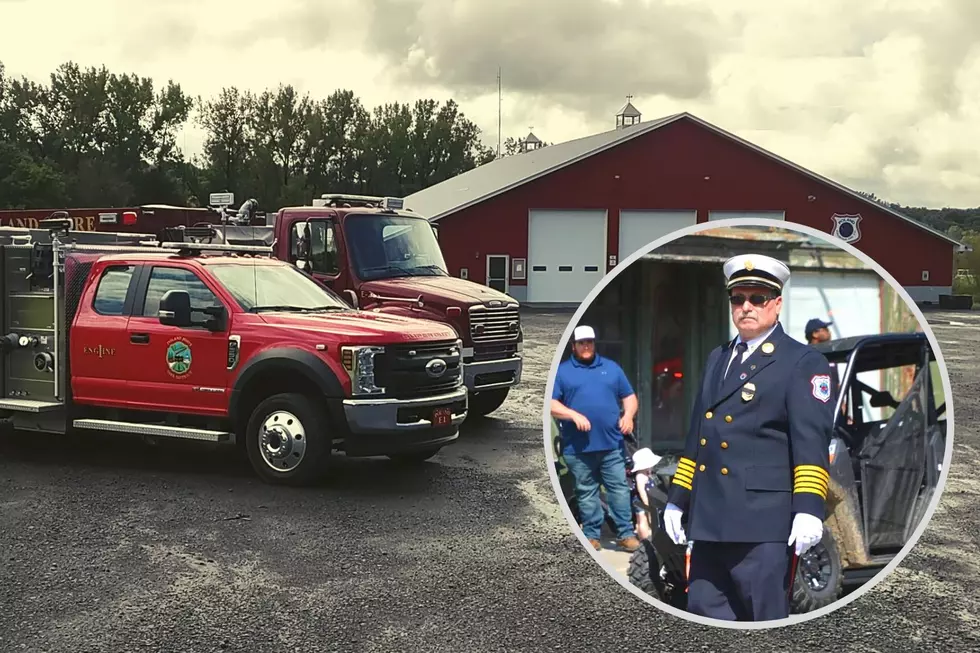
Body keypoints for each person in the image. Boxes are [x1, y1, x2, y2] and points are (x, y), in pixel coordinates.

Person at [661, 254, 835, 622]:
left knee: (763, 619)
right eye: (738, 299)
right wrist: (679, 499)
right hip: (710, 520)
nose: (746, 307)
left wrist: (808, 508)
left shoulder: (801, 361)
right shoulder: (718, 357)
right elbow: (700, 437)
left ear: (776, 303)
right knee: (704, 615)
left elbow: (811, 442)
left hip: (762, 524)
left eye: (757, 299)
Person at [551, 325, 641, 553]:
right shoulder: (562, 372)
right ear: (574, 346)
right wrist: (573, 414)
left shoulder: (611, 368)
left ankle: (626, 535)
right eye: (581, 343)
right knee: (587, 491)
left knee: (619, 490)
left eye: (589, 342)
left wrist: (628, 415)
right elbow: (551, 404)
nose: (586, 346)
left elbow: (629, 397)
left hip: (612, 445)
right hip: (578, 447)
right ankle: (591, 536)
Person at [631, 447, 662, 540]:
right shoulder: (640, 476)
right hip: (641, 500)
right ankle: (644, 539)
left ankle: (651, 535)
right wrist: (646, 502)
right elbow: (641, 491)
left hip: (650, 499)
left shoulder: (647, 473)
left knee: (651, 518)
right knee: (641, 518)